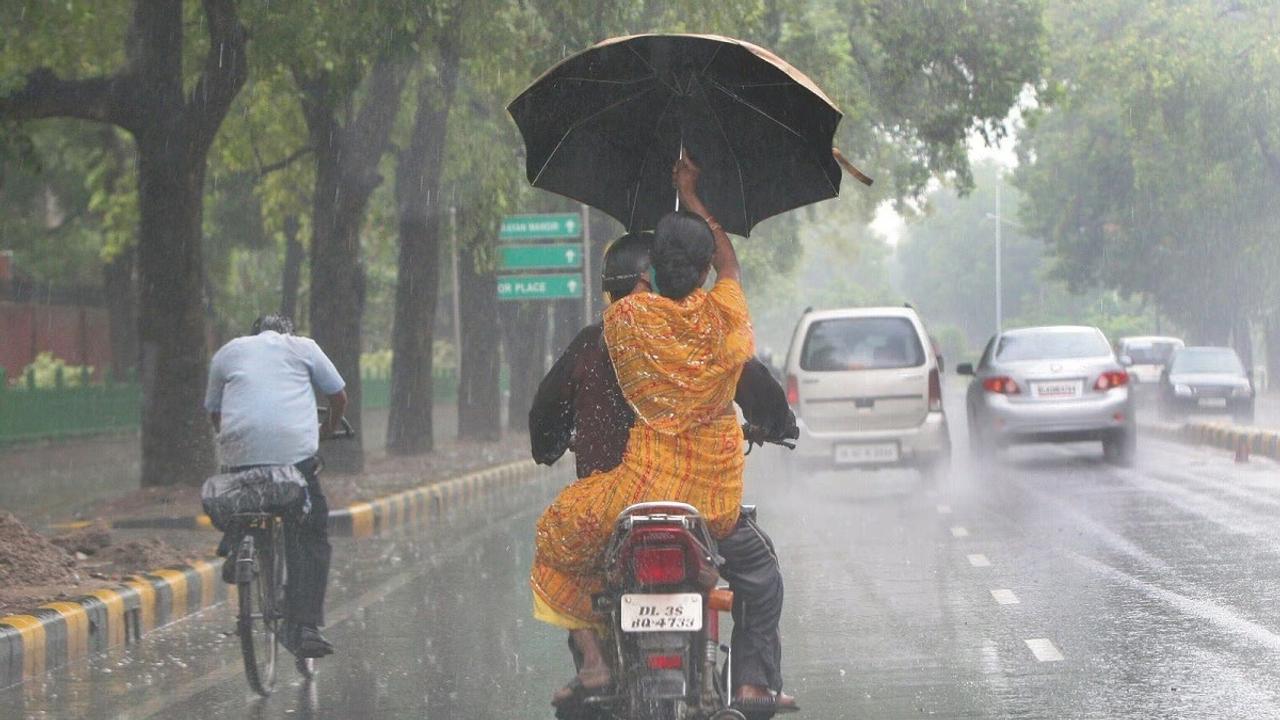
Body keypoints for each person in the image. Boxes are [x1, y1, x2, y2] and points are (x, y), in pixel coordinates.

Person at [529, 156, 798, 714]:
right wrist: (695, 198)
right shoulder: (726, 325)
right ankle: (751, 684)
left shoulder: (626, 323)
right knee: (762, 576)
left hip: (638, 494)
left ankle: (595, 665)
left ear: (647, 273)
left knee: (555, 538)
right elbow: (732, 272)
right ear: (704, 272)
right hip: (712, 508)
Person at [204, 314, 347, 659]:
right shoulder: (303, 347)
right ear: (287, 333)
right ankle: (304, 627)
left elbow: (215, 412)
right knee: (310, 530)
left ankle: (239, 540)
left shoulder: (228, 352)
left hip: (241, 459)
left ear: (252, 335)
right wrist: (323, 432)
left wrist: (239, 442)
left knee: (247, 498)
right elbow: (339, 397)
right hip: (292, 462)